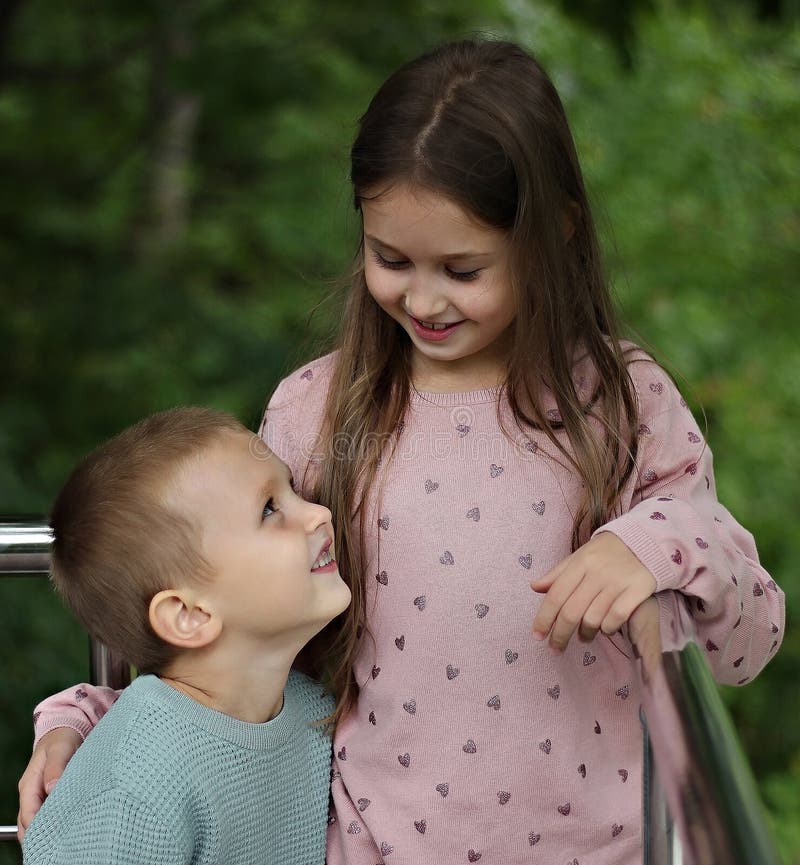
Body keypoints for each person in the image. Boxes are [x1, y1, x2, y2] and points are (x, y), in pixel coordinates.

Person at [19, 39, 784, 865]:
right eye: (391, 260)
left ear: (553, 234)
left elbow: (749, 643)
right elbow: (221, 624)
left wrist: (656, 544)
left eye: (462, 268)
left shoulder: (622, 402)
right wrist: (86, 723)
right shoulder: (319, 410)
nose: (421, 298)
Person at [20, 407, 351, 865]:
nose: (319, 513)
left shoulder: (312, 707)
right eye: (270, 509)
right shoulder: (138, 785)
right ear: (189, 614)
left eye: (291, 489)